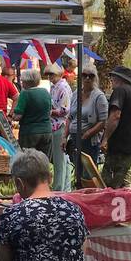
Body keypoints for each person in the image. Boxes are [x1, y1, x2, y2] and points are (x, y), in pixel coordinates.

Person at [101, 65, 131, 188]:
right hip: (129, 145)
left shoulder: (119, 91)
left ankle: (112, 206)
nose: (111, 79)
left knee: (110, 184)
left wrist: (105, 139)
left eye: (113, 76)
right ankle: (129, 205)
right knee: (123, 181)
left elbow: (115, 116)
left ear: (119, 78)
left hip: (120, 147)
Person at [70, 67, 109, 168]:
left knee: (89, 171)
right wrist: (64, 137)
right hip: (74, 137)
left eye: (91, 76)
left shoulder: (99, 97)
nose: (87, 78)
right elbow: (70, 117)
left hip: (90, 140)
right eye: (84, 75)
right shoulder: (76, 94)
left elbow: (103, 121)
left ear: (95, 78)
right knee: (77, 168)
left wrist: (87, 134)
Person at [12, 66, 53, 154]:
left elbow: (18, 116)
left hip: (30, 132)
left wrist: (12, 116)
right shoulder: (45, 92)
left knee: (28, 161)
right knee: (44, 160)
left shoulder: (25, 94)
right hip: (47, 131)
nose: (21, 83)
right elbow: (50, 112)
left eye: (22, 81)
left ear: (26, 82)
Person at [47, 61, 73, 190]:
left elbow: (65, 110)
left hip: (61, 125)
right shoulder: (55, 86)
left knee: (59, 160)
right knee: (63, 160)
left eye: (52, 74)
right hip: (55, 124)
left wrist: (49, 111)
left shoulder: (62, 87)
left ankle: (59, 188)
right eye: (48, 75)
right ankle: (65, 187)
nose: (49, 77)